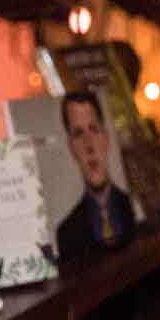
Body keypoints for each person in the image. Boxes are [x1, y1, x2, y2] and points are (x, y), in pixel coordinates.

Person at [56, 89, 135, 260]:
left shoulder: (135, 208)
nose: (89, 145)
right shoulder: (66, 232)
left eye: (94, 129)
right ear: (71, 148)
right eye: (79, 133)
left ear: (106, 138)